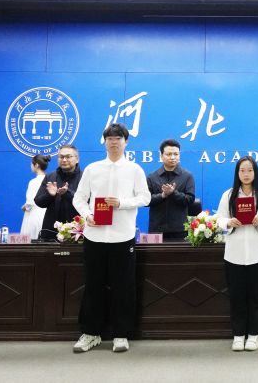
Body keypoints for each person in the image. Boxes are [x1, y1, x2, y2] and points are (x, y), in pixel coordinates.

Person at [71, 123, 150, 354]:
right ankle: (90, 333)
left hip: (122, 237)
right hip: (94, 236)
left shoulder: (134, 169)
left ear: (126, 142)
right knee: (93, 285)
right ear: (104, 142)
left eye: (118, 138)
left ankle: (121, 334)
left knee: (123, 287)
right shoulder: (92, 169)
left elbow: (145, 198)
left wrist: (122, 203)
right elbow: (79, 198)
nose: (114, 142)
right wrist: (87, 215)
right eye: (110, 139)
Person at [216, 156, 258, 352]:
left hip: (257, 254)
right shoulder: (229, 195)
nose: (246, 174)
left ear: (255, 173)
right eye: (242, 170)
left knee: (256, 296)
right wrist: (228, 222)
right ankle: (238, 335)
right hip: (234, 254)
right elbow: (219, 219)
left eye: (250, 170)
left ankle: (254, 334)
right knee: (237, 296)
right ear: (237, 173)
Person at [147, 139, 196, 241]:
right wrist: (162, 195)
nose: (173, 157)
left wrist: (174, 193)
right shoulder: (152, 177)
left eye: (176, 154)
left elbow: (190, 199)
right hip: (156, 229)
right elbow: (146, 200)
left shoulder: (187, 176)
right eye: (169, 154)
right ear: (161, 156)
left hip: (180, 230)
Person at [34, 144, 83, 241]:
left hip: (77, 233)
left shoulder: (84, 177)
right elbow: (38, 201)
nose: (64, 160)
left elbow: (88, 202)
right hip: (51, 232)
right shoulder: (50, 176)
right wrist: (49, 195)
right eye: (61, 157)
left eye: (68, 157)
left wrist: (67, 194)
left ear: (77, 159)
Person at [20, 155, 49, 239]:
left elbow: (29, 204)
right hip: (46, 218)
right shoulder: (50, 180)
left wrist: (23, 208)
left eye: (31, 164)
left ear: (36, 165)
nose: (30, 166)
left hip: (33, 218)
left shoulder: (33, 182)